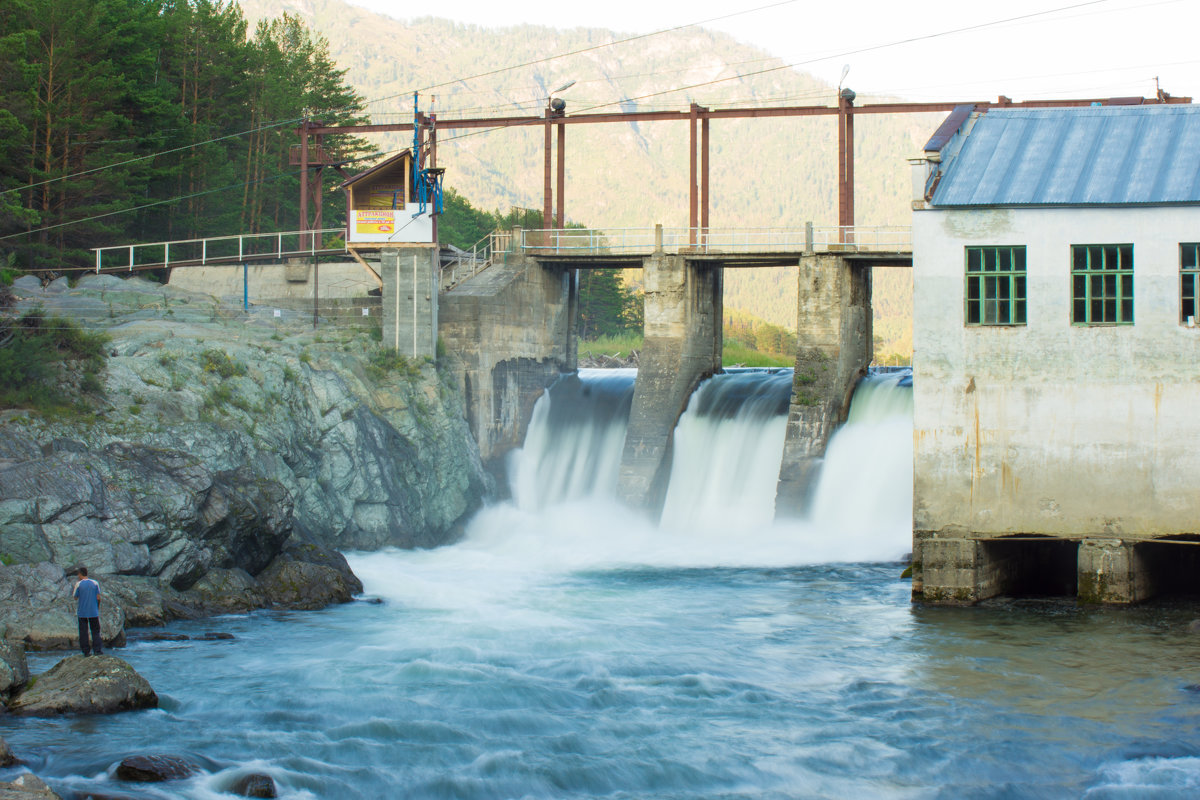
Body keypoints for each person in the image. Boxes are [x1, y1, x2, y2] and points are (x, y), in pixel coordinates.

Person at [72, 567, 103, 656]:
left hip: (82, 612)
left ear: (80, 574)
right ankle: (97, 650)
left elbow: (75, 597)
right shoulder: (95, 583)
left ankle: (86, 651)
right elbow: (98, 597)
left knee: (83, 632)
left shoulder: (78, 584)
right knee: (96, 631)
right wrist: (97, 607)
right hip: (93, 611)